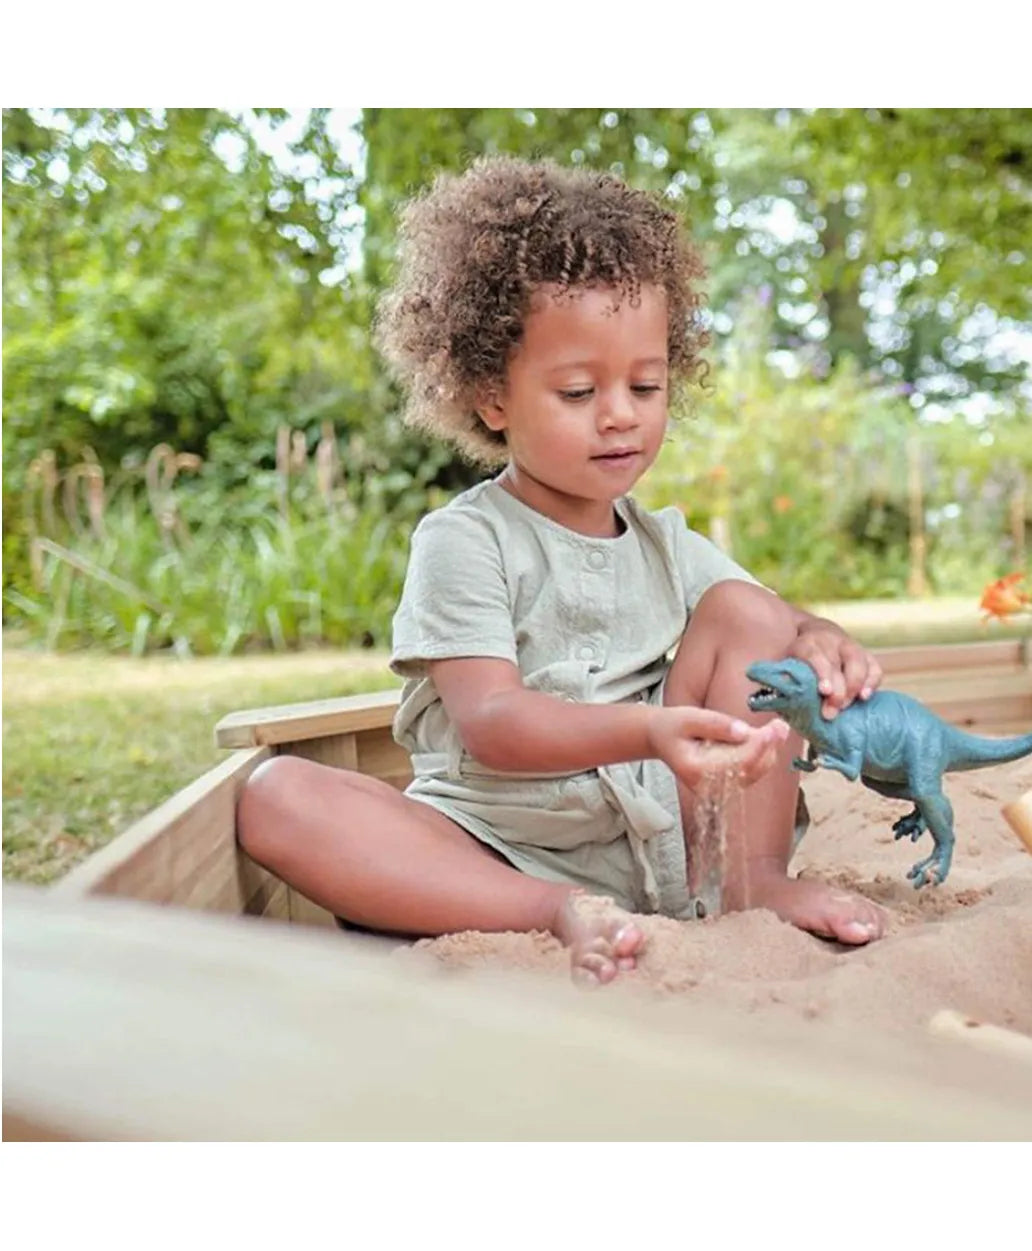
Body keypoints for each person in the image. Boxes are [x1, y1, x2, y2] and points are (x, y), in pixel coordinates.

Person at [237, 156, 886, 985]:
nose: (620, 413)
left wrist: (827, 639)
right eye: (578, 391)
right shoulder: (466, 540)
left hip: (670, 850)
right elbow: (495, 723)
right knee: (278, 794)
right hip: (497, 848)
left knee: (751, 615)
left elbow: (782, 627)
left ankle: (749, 880)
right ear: (491, 396)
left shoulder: (667, 544)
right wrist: (646, 731)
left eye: (645, 385)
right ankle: (550, 909)